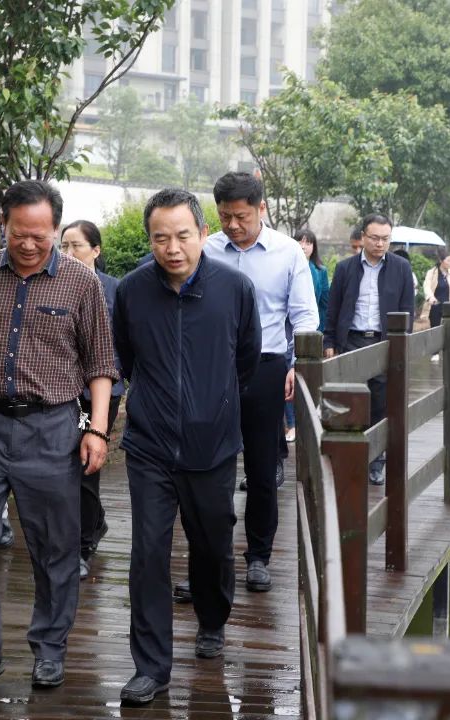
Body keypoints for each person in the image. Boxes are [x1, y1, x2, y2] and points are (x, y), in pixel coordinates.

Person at [0, 180, 118, 701]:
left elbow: (101, 364)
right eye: (20, 233)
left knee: (54, 546)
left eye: (41, 235)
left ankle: (50, 648)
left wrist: (97, 429)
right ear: (4, 224)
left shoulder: (80, 282)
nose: (30, 244)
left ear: (55, 228)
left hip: (52, 428)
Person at [113, 188, 261, 706]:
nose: (172, 248)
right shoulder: (132, 291)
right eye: (160, 238)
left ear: (203, 233)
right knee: (148, 553)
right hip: (149, 445)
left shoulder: (235, 289)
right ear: (150, 240)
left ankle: (212, 619)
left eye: (182, 236)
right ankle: (150, 667)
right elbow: (123, 359)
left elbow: (247, 359)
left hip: (213, 445)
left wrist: (213, 403)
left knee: (213, 542)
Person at [198, 172, 317, 597]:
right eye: (225, 217)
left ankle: (259, 557)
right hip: (211, 368)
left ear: (261, 208)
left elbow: (304, 315)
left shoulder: (287, 252)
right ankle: (210, 558)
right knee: (208, 466)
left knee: (262, 469)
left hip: (266, 367)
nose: (233, 225)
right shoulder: (206, 250)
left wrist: (297, 365)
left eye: (241, 216)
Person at [323, 213, 415, 486]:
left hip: (383, 341)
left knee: (380, 404)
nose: (380, 244)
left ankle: (375, 462)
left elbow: (408, 310)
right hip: (351, 340)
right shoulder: (345, 268)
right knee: (347, 403)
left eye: (385, 239)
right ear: (363, 237)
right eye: (374, 238)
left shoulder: (401, 268)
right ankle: (346, 459)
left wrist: (402, 345)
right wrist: (329, 342)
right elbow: (333, 309)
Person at [59, 219, 125, 580]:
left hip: (99, 393)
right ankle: (92, 523)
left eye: (76, 246)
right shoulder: (54, 285)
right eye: (64, 246)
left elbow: (125, 341)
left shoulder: (114, 289)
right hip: (61, 391)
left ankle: (84, 544)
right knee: (64, 464)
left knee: (85, 463)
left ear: (96, 250)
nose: (68, 253)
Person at [284, 226, 329, 441]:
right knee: (288, 375)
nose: (304, 246)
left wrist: (322, 333)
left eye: (308, 242)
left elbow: (324, 303)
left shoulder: (319, 271)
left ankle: (308, 421)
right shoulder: (286, 264)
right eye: (300, 241)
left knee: (308, 376)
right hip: (287, 331)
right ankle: (292, 424)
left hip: (312, 331)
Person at [421, 249, 450, 361]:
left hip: (449, 305)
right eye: (449, 260)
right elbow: (426, 286)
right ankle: (435, 352)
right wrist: (430, 297)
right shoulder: (432, 272)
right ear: (441, 261)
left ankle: (449, 350)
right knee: (435, 328)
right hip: (436, 305)